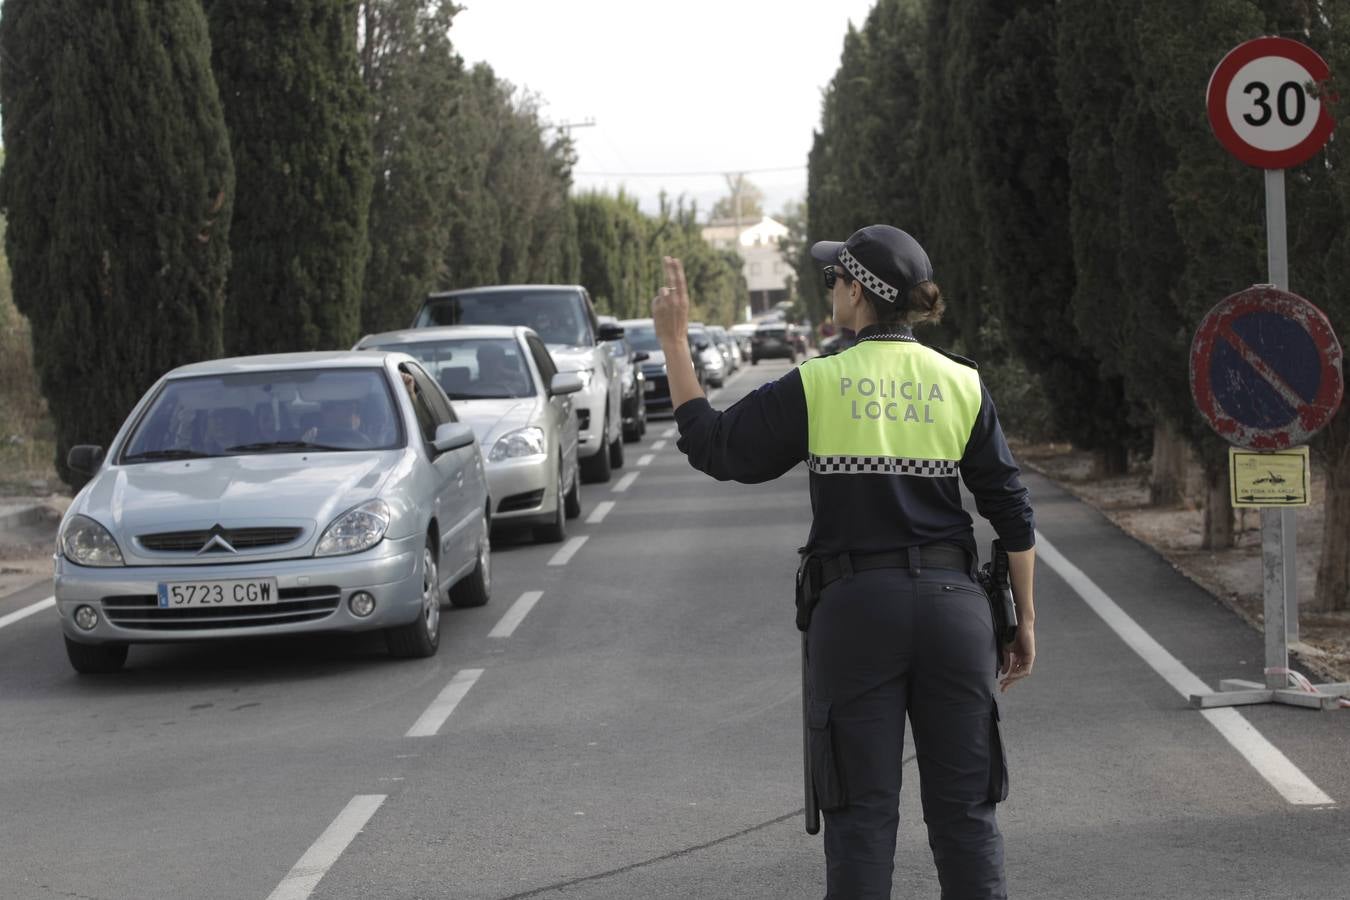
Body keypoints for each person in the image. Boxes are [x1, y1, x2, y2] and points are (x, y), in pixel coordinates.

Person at [650, 225, 1037, 900]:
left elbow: (715, 446)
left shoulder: (818, 384)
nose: (829, 288)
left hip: (855, 614)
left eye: (833, 279)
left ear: (857, 292)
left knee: (860, 821)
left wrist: (675, 343)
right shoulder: (962, 383)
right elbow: (1010, 512)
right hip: (955, 611)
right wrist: (1022, 619)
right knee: (967, 817)